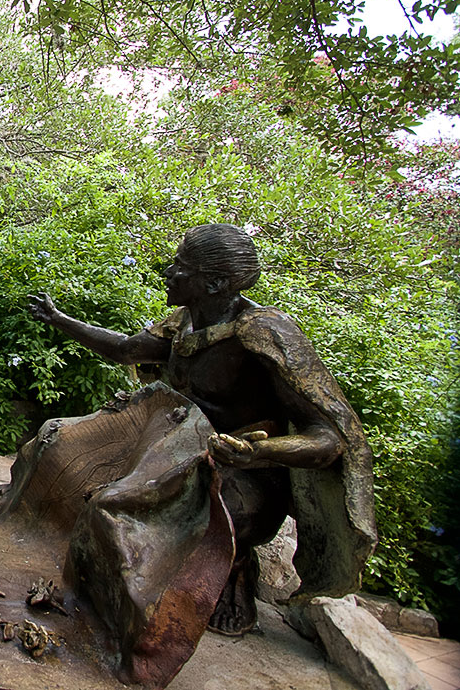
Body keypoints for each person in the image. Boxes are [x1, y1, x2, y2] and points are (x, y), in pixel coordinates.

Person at [29, 224, 375, 637]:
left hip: (244, 477)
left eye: (182, 267)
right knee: (57, 441)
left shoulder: (264, 333)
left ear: (215, 282)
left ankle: (231, 571)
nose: (169, 272)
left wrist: (261, 452)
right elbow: (125, 349)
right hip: (174, 449)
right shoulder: (184, 324)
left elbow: (329, 439)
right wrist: (58, 318)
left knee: (126, 507)